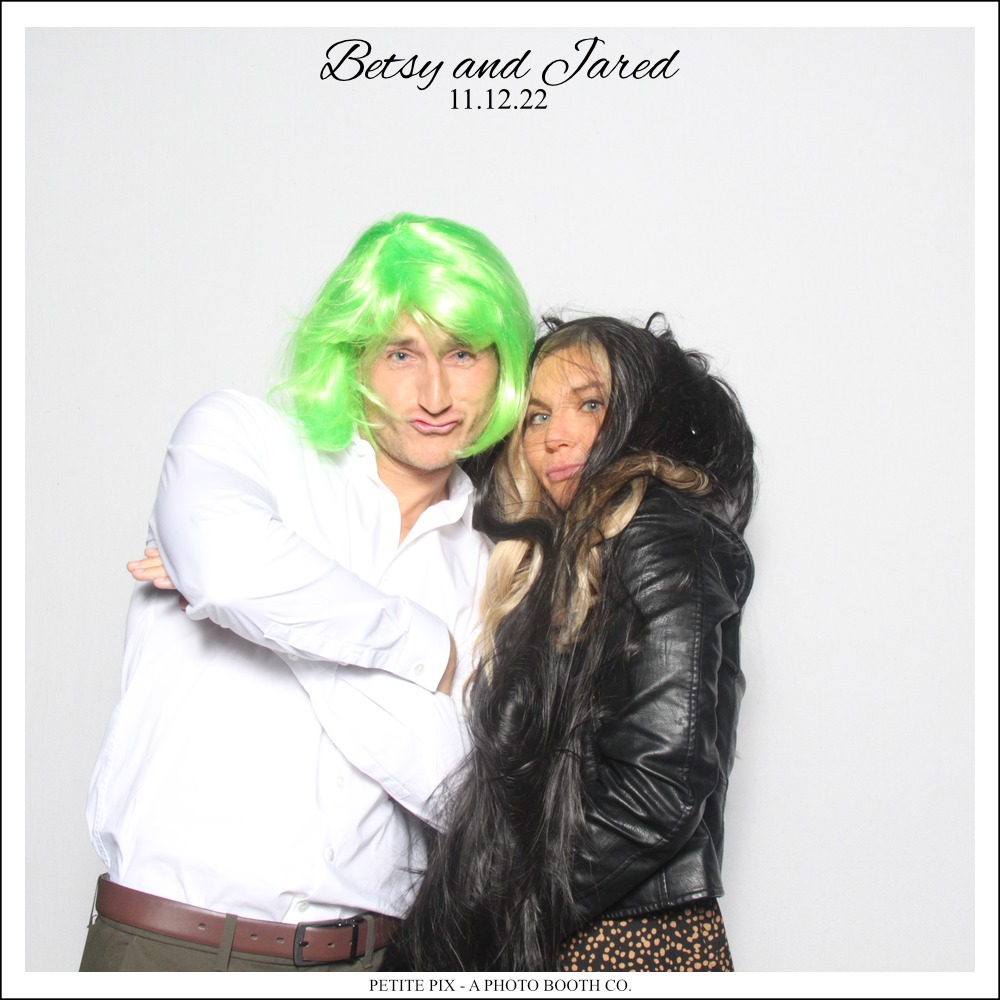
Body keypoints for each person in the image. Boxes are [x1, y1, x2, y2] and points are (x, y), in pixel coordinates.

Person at [81, 213, 534, 971]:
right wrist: (426, 648)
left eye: (462, 354)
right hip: (168, 947)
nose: (434, 393)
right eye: (401, 353)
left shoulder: (495, 569)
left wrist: (267, 617)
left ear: (501, 367)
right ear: (353, 358)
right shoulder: (241, 438)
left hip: (363, 963)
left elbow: (461, 788)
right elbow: (229, 571)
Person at [382, 315, 756, 972]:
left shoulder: (658, 530)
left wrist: (496, 922)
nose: (555, 435)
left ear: (639, 416)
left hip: (627, 939)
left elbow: (660, 787)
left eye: (589, 404)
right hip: (569, 929)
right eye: (536, 416)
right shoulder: (562, 557)